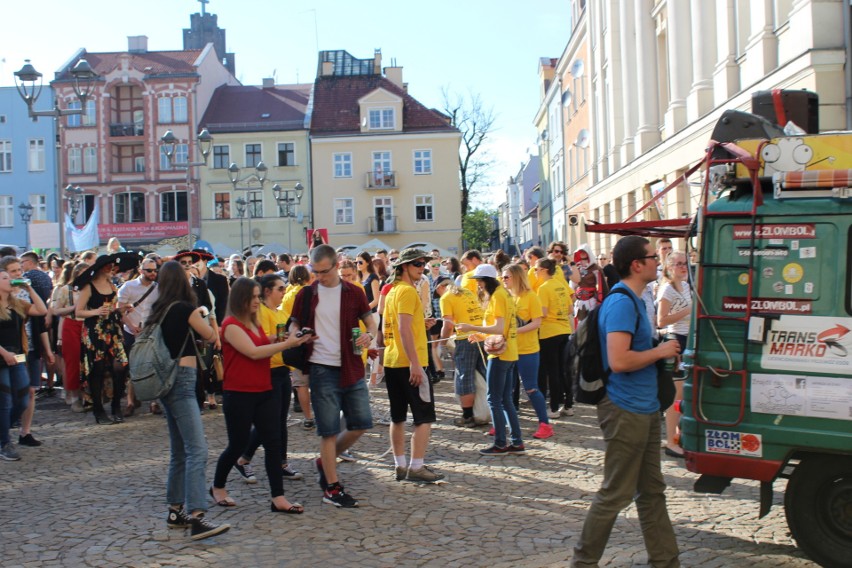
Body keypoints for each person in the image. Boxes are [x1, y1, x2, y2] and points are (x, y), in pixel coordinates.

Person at [572, 236, 681, 568]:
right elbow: (619, 361)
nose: (657, 262)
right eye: (652, 257)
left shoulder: (637, 299)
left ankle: (666, 561)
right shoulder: (621, 302)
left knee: (651, 492)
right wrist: (660, 351)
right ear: (637, 264)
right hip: (624, 408)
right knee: (616, 493)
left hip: (644, 406)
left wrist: (658, 348)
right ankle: (583, 562)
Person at [138, 260, 227, 539]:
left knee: (180, 451)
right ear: (183, 283)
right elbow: (211, 336)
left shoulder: (158, 310)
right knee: (197, 450)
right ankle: (197, 515)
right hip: (183, 382)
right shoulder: (186, 309)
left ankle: (176, 511)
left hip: (165, 383)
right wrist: (202, 314)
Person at [289, 244, 377, 508]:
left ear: (336, 266)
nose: (319, 277)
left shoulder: (354, 292)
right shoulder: (306, 294)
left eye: (323, 272)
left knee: (361, 422)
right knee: (327, 430)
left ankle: (324, 462)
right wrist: (295, 334)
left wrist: (370, 335)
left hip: (351, 365)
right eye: (314, 272)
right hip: (320, 367)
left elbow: (370, 321)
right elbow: (293, 321)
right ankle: (332, 486)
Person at [212, 277, 309, 514]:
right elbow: (254, 352)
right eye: (253, 297)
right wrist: (286, 345)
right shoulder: (231, 325)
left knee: (273, 444)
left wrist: (281, 339)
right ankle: (218, 486)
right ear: (241, 298)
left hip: (263, 389)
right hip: (239, 393)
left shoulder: (253, 323)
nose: (257, 301)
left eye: (258, 296)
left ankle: (278, 497)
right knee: (237, 444)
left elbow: (260, 343)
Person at [233, 274, 303, 484]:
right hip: (268, 370)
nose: (284, 292)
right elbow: (260, 342)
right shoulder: (261, 313)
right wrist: (284, 342)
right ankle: (244, 458)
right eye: (280, 289)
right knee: (269, 422)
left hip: (282, 370)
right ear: (267, 291)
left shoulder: (281, 312)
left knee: (280, 420)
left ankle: (280, 463)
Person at [382, 249, 445, 482]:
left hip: (392, 360)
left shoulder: (392, 291)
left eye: (424, 264)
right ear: (404, 267)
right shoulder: (407, 291)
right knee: (424, 417)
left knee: (397, 416)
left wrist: (422, 323)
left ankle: (400, 465)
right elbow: (403, 329)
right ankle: (416, 466)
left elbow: (397, 325)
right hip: (409, 362)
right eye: (417, 264)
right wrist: (415, 365)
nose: (422, 268)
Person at [457, 263, 524, 455]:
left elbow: (498, 328)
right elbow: (501, 328)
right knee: (505, 400)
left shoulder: (497, 297)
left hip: (500, 354)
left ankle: (501, 443)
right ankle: (516, 442)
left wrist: (473, 328)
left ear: (485, 281)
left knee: (493, 399)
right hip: (509, 351)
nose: (477, 285)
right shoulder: (504, 295)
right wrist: (480, 336)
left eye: (478, 281)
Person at [74, 255, 133, 424]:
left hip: (112, 329)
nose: (112, 269)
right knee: (97, 369)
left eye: (113, 267)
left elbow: (112, 309)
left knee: (120, 366)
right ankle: (98, 410)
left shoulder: (112, 286)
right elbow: (78, 312)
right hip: (94, 331)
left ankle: (116, 406)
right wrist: (95, 311)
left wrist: (122, 310)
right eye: (108, 266)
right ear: (101, 268)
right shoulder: (89, 287)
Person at [0, 269, 48, 460]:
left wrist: (28, 288)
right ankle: (4, 442)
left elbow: (42, 310)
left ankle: (2, 430)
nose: (10, 280)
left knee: (22, 399)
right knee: (4, 401)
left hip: (18, 356)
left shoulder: (17, 304)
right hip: (2, 356)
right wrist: (4, 352)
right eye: (4, 278)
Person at [502, 263, 551, 439]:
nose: (503, 280)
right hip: (509, 350)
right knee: (506, 389)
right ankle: (503, 424)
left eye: (506, 277)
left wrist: (515, 331)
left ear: (516, 277)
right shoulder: (507, 297)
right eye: (502, 277)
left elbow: (536, 323)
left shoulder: (531, 297)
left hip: (528, 350)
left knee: (531, 388)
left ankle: (545, 424)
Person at [656, 250, 692, 459]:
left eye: (684, 263)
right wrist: (688, 311)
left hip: (688, 339)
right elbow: (661, 321)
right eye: (678, 264)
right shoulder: (667, 290)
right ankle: (671, 441)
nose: (682, 266)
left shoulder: (686, 285)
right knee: (675, 395)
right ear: (669, 267)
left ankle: (678, 436)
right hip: (675, 341)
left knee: (684, 393)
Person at [438, 278, 486, 428]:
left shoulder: (446, 297)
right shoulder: (467, 292)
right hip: (482, 335)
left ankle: (468, 416)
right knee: (483, 374)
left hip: (466, 338)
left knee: (465, 376)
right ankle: (485, 411)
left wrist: (442, 342)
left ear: (440, 287)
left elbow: (448, 325)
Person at [116, 257, 159, 417]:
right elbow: (119, 309)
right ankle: (130, 402)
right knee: (131, 367)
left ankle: (154, 402)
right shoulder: (129, 286)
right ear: (141, 270)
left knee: (152, 365)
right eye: (149, 270)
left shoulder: (158, 288)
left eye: (155, 270)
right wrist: (131, 326)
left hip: (150, 332)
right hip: (130, 331)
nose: (153, 273)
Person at [19, 252, 54, 446]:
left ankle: (25, 432)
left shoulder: (26, 294)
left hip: (31, 348)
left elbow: (40, 319)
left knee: (31, 391)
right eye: (13, 271)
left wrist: (47, 350)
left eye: (19, 269)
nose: (19, 274)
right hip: (14, 350)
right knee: (16, 392)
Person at [535, 258, 574, 419]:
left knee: (553, 371)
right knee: (564, 369)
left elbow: (542, 312)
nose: (535, 272)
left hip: (549, 332)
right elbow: (570, 309)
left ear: (544, 270)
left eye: (536, 269)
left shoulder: (543, 288)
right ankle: (569, 405)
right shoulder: (561, 285)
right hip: (564, 329)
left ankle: (554, 407)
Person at [280, 265, 315, 430]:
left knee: (300, 383)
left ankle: (308, 417)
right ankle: (319, 415)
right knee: (315, 381)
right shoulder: (310, 292)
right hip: (310, 339)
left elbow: (288, 318)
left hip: (294, 339)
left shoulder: (287, 294)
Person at [52, 262, 90, 412]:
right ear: (77, 273)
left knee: (88, 361)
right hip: (71, 324)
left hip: (87, 325)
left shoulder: (91, 288)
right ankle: (74, 397)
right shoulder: (65, 290)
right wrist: (74, 308)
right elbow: (56, 311)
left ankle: (87, 395)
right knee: (72, 361)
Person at [571, 244, 608, 324]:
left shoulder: (595, 269)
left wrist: (602, 299)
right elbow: (572, 284)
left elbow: (601, 285)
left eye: (584, 253)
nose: (582, 255)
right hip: (579, 301)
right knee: (580, 325)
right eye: (580, 253)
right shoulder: (577, 268)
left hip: (593, 299)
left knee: (592, 323)